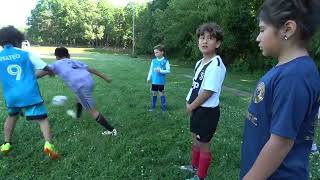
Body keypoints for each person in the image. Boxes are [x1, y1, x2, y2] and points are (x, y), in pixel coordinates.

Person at [240, 0, 320, 179]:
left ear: (287, 29)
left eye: (262, 30)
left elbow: (280, 143)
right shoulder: (287, 69)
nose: (257, 38)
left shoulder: (295, 76)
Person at [0, 26, 58, 159]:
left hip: (12, 97)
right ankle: (49, 145)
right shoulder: (26, 54)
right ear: (16, 41)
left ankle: (6, 143)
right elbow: (44, 67)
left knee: (12, 117)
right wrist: (51, 71)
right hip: (30, 94)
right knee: (42, 119)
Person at [180, 22, 226, 180]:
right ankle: (194, 166)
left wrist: (191, 106)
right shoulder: (200, 62)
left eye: (210, 38)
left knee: (204, 143)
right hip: (196, 109)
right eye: (202, 37)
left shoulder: (216, 65)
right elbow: (195, 86)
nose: (204, 41)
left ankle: (201, 176)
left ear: (217, 43)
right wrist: (188, 102)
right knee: (195, 139)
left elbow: (208, 91)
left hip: (207, 112)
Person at [37, 47, 117, 136]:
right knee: (78, 97)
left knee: (92, 110)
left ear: (56, 57)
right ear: (68, 55)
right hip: (90, 82)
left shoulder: (56, 64)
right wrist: (106, 78)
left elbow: (43, 72)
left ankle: (111, 130)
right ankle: (78, 115)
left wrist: (31, 77)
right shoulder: (74, 61)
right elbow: (92, 69)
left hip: (81, 86)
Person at [146, 44, 170, 112]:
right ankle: (153, 107)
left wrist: (161, 71)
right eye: (154, 53)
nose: (155, 54)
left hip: (161, 82)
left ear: (162, 52)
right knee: (154, 93)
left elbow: (168, 71)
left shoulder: (165, 61)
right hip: (154, 81)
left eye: (157, 52)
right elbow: (151, 69)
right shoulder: (153, 61)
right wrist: (148, 77)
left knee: (162, 94)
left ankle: (164, 109)